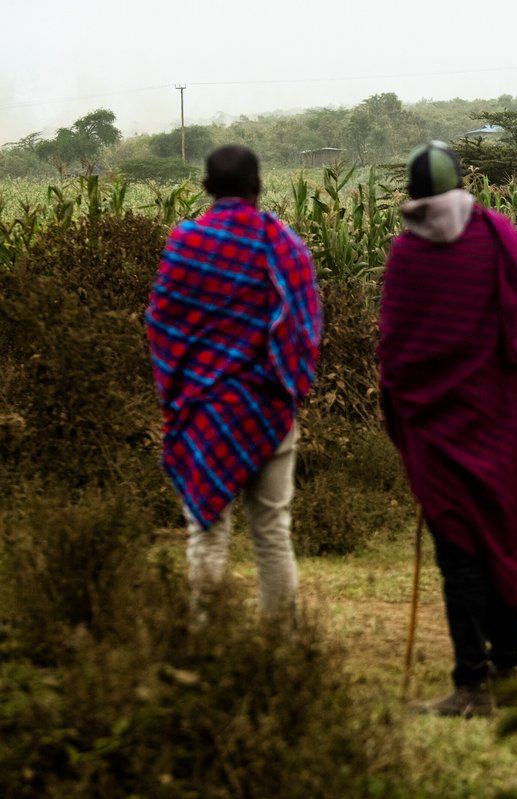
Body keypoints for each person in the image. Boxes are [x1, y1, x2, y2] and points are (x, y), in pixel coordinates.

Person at [378, 141, 517, 718]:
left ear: (413, 194)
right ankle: (507, 673)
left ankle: (472, 684)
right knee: (500, 539)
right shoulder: (497, 236)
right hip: (502, 424)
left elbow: (393, 354)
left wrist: (406, 414)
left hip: (438, 432)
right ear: (462, 184)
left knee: (460, 553)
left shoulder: (407, 253)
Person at [145, 144, 322, 623]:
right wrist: (288, 389)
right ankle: (282, 647)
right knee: (271, 532)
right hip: (268, 412)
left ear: (205, 187)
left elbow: (161, 324)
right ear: (257, 186)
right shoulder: (282, 243)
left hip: (204, 411)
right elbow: (304, 327)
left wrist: (179, 396)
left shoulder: (186, 243)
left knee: (206, 530)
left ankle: (209, 642)